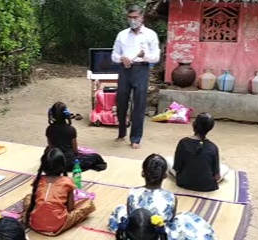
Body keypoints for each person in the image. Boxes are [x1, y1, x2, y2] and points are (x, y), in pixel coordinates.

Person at [108, 154, 215, 239]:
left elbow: (130, 215)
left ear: (142, 173)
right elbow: (171, 220)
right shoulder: (170, 197)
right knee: (185, 217)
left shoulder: (133, 192)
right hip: (158, 235)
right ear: (165, 176)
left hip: (135, 234)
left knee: (120, 209)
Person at [111, 5, 160, 149]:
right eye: (130, 17)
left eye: (135, 17)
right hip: (124, 69)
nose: (133, 20)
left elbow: (156, 57)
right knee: (121, 102)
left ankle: (136, 138)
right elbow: (114, 55)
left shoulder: (150, 35)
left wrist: (145, 55)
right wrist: (122, 58)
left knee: (139, 105)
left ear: (142, 17)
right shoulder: (122, 34)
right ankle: (121, 132)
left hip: (141, 69)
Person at [23, 148, 95, 236]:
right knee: (87, 203)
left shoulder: (38, 180)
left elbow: (34, 202)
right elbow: (70, 208)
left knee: (28, 198)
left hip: (35, 224)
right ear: (63, 165)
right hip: (58, 225)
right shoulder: (67, 181)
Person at [167, 112, 230, 192]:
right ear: (210, 128)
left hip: (184, 182)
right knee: (225, 168)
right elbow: (216, 176)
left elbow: (176, 168)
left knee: (168, 159)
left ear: (194, 124)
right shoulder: (213, 147)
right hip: (207, 185)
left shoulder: (183, 142)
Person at [46, 101, 107, 172]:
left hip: (55, 162)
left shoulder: (49, 129)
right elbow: (75, 150)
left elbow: (51, 148)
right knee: (95, 157)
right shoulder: (71, 130)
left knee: (46, 151)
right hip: (69, 163)